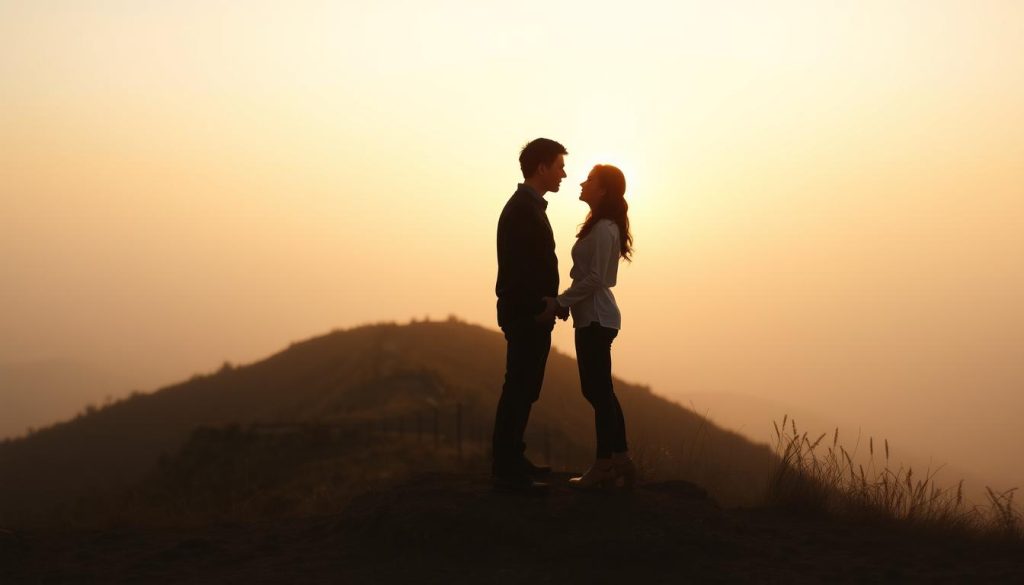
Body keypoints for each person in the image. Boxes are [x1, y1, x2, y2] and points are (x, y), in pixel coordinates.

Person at [546, 164, 636, 489]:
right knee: (600, 392)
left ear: (603, 190)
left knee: (597, 392)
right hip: (593, 316)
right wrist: (571, 303)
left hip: (597, 318)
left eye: (589, 180)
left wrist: (562, 301)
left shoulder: (603, 229)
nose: (581, 183)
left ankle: (604, 464)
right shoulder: (599, 225)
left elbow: (597, 278)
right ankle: (621, 460)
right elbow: (589, 277)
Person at [492, 138, 569, 493]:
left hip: (530, 313)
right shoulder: (523, 210)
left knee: (525, 388)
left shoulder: (528, 206)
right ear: (541, 168)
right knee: (520, 387)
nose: (563, 174)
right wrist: (539, 308)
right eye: (558, 166)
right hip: (526, 315)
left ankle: (512, 458)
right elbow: (520, 270)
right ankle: (506, 466)